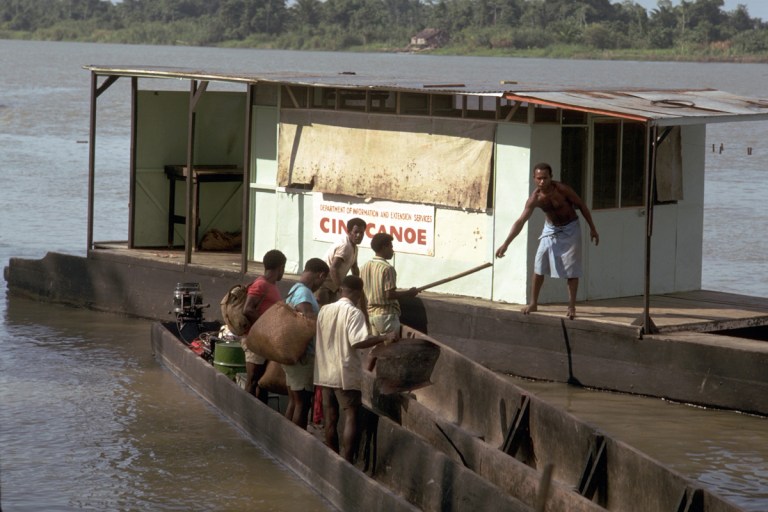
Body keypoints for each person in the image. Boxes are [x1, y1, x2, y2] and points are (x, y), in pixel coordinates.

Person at [495, 162, 599, 320]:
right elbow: (521, 221)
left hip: (570, 228)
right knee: (539, 264)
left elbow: (582, 206)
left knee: (571, 269)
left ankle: (571, 306)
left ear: (551, 177)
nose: (542, 181)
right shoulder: (535, 198)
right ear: (534, 179)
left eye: (545, 178)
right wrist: (506, 244)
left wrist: (592, 228)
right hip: (551, 229)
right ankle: (533, 303)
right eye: (539, 178)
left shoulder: (562, 190)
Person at [314, 275, 398, 463]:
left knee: (331, 417)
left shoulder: (324, 310)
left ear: (342, 290)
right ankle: (347, 461)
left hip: (324, 371)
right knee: (351, 414)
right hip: (345, 372)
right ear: (358, 293)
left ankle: (332, 457)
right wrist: (384, 337)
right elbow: (359, 341)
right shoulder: (354, 313)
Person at [282, 257, 329, 429]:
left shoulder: (294, 289)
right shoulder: (304, 293)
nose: (320, 287)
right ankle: (296, 444)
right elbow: (308, 317)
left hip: (295, 354)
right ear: (321, 275)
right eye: (322, 282)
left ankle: (287, 438)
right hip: (303, 356)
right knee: (302, 403)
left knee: (294, 402)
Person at [242, 249, 286, 402]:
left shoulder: (270, 285)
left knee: (263, 382)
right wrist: (267, 326)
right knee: (253, 380)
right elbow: (247, 309)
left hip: (265, 342)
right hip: (256, 341)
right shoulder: (261, 284)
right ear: (280, 267)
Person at [360, 232, 419, 336]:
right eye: (391, 247)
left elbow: (361, 293)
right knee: (389, 349)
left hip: (371, 316)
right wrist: (409, 293)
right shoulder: (387, 268)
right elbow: (389, 295)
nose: (392, 250)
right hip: (386, 316)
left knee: (377, 349)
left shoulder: (365, 266)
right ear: (384, 247)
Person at [315, 217, 367, 307]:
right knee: (322, 315)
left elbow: (354, 268)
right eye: (356, 232)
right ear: (349, 232)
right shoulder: (345, 246)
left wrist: (359, 286)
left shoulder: (354, 247)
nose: (359, 235)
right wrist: (341, 288)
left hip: (333, 287)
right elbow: (333, 269)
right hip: (324, 286)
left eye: (361, 233)